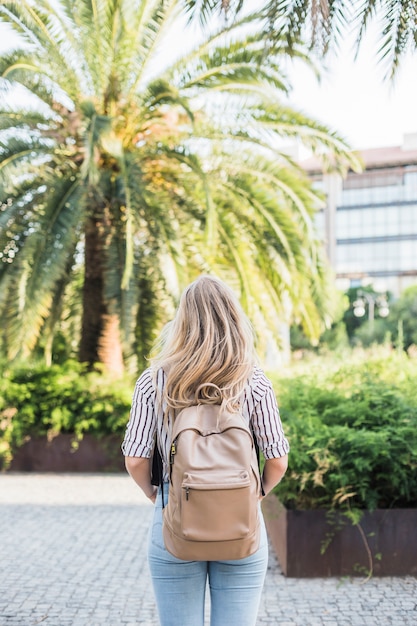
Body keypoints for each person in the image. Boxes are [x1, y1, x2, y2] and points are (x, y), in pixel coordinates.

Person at [122, 275, 289, 626]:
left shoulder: (153, 380)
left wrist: (156, 494)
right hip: (241, 522)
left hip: (175, 519)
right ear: (233, 317)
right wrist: (256, 495)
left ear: (182, 320)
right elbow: (277, 459)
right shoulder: (253, 380)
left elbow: (136, 458)